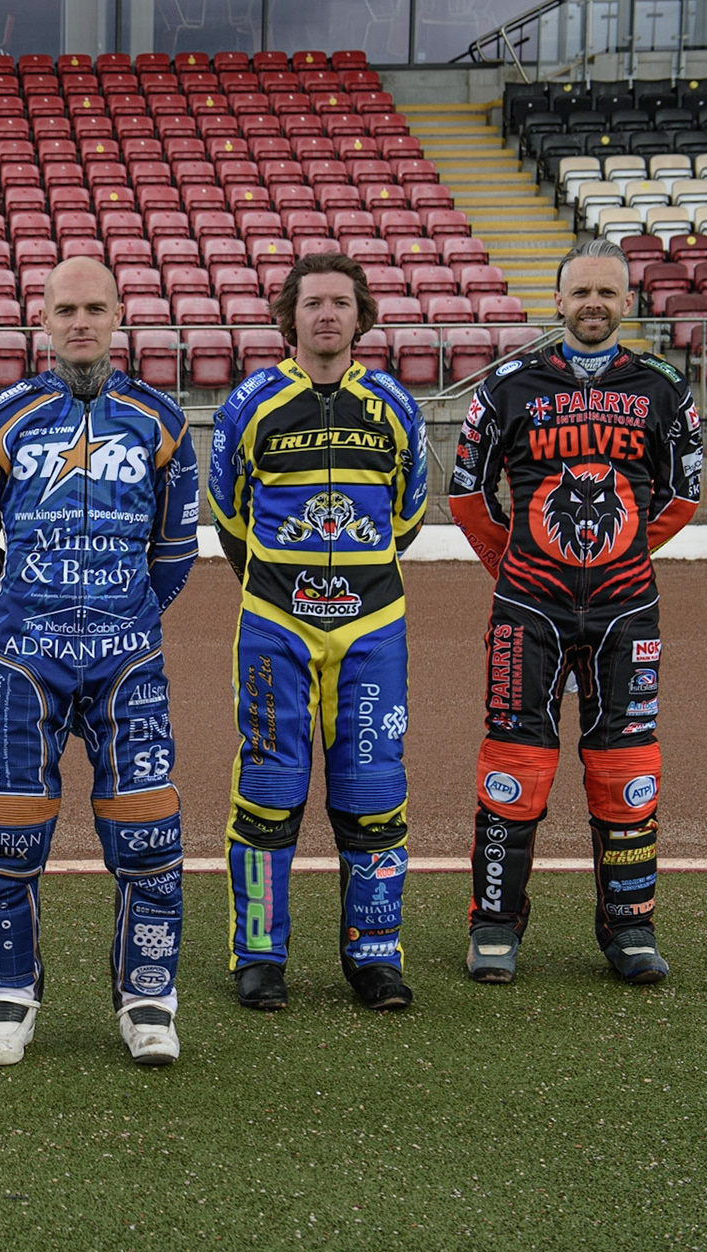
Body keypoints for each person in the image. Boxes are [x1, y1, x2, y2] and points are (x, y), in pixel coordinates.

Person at [0, 256, 198, 1068]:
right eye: (66, 310)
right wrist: (21, 623)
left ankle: (148, 996)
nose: (81, 322)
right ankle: (9, 994)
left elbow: (176, 553)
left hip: (130, 664)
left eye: (96, 307)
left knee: (150, 830)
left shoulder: (161, 421)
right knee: (10, 828)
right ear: (44, 321)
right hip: (25, 664)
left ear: (120, 312)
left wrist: (126, 624)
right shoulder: (0, 420)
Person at [450, 238, 701, 985]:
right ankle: (495, 924)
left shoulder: (663, 388)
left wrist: (624, 555)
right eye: (580, 292)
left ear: (628, 303)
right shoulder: (507, 386)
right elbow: (467, 495)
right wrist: (519, 563)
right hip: (526, 608)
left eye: (608, 293)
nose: (594, 304)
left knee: (627, 769)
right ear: (556, 302)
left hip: (628, 612)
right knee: (513, 765)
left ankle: (630, 929)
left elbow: (684, 495)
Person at [207, 254, 429, 1013]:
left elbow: (409, 515)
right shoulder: (251, 402)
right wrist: (286, 584)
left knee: (374, 791)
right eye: (313, 304)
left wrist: (349, 582)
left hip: (373, 627)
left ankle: (374, 956)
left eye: (341, 303)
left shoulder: (396, 404)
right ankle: (259, 956)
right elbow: (229, 513)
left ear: (361, 316)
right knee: (268, 788)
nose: (327, 315)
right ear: (290, 317)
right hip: (274, 623)